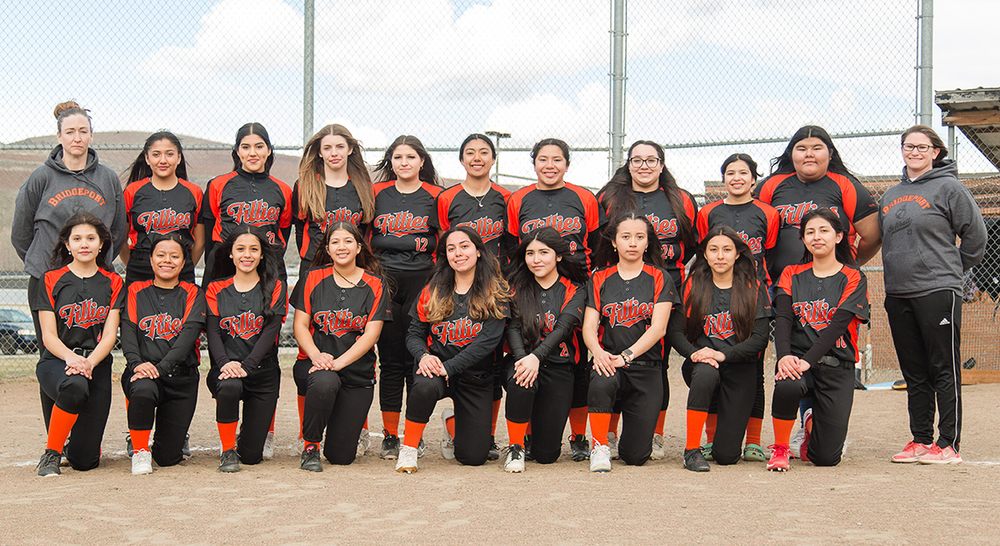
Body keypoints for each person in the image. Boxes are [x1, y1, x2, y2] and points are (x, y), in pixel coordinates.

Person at [754, 125, 880, 451]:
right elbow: (757, 226)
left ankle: (815, 421)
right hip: (784, 286)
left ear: (830, 152)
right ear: (791, 153)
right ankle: (801, 422)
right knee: (791, 349)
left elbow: (871, 233)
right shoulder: (772, 186)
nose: (809, 153)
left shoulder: (844, 185)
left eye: (817, 147)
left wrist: (846, 265)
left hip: (831, 287)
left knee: (823, 345)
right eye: (801, 147)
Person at [880, 125, 986, 465]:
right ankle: (921, 440)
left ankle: (949, 444)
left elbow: (976, 236)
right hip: (898, 292)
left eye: (922, 147)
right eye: (908, 146)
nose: (914, 152)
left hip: (937, 289)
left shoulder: (949, 187)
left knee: (944, 367)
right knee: (914, 370)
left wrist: (952, 269)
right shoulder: (890, 194)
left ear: (935, 152)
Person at [595, 140, 697, 460]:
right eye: (636, 160)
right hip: (618, 287)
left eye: (651, 160)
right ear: (628, 165)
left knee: (657, 363)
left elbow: (691, 244)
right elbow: (599, 240)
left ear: (662, 165)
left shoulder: (680, 200)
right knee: (611, 357)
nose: (644, 166)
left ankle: (654, 432)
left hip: (666, 287)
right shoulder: (609, 197)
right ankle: (608, 432)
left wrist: (664, 269)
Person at [507, 138, 602, 461]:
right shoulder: (519, 199)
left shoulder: (584, 197)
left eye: (557, 159)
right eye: (543, 159)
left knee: (574, 363)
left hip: (575, 283)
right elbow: (513, 246)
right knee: (530, 340)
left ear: (567, 164)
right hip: (532, 283)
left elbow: (596, 243)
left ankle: (577, 437)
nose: (550, 165)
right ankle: (524, 436)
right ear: (533, 163)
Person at [395, 226, 510, 473]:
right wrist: (423, 356)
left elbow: (488, 342)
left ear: (479, 251)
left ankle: (451, 423)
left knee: (473, 457)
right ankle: (409, 449)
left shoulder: (496, 290)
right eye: (451, 248)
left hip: (474, 375)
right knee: (423, 386)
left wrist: (448, 368)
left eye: (464, 246)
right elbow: (414, 333)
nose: (458, 253)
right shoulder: (433, 289)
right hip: (435, 371)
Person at [12, 101, 126, 344]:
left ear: (91, 136)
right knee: (51, 355)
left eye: (83, 131)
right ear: (59, 136)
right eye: (70, 132)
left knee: (94, 354)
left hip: (95, 281)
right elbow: (21, 234)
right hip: (48, 281)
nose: (77, 138)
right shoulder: (41, 177)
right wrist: (46, 264)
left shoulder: (107, 178)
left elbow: (117, 229)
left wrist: (96, 262)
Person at [766, 208, 869, 472]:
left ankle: (811, 419)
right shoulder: (792, 273)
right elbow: (784, 320)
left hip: (837, 364)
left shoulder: (854, 276)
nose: (817, 237)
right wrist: (785, 357)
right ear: (802, 239)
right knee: (788, 383)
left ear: (838, 236)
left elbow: (837, 326)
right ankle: (780, 448)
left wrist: (807, 361)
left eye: (824, 230)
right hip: (799, 359)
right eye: (810, 232)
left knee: (825, 458)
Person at [694, 154, 779, 462]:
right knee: (713, 365)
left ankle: (754, 441)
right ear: (723, 179)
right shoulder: (708, 213)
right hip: (718, 290)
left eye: (744, 172)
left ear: (754, 179)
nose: (737, 178)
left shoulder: (768, 213)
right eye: (730, 173)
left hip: (753, 293)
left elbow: (769, 252)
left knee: (753, 368)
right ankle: (711, 439)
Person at [667, 226, 772, 471]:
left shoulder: (753, 287)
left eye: (727, 250)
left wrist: (722, 353)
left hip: (738, 368)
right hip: (701, 364)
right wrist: (694, 353)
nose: (720, 256)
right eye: (713, 250)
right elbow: (674, 331)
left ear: (737, 254)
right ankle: (691, 450)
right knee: (706, 372)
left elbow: (760, 339)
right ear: (704, 254)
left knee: (726, 456)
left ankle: (721, 442)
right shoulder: (693, 285)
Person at [437, 133, 512, 458]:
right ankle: (454, 421)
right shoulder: (448, 198)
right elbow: (443, 245)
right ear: (462, 159)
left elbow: (511, 245)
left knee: (492, 362)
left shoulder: (506, 199)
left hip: (495, 287)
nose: (477, 157)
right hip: (459, 286)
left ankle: (488, 434)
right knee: (457, 349)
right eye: (470, 152)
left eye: (484, 152)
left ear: (493, 159)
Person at [292, 222, 390, 471]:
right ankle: (310, 446)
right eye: (334, 242)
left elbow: (372, 334)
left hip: (356, 373)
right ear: (327, 248)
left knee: (341, 456)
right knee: (326, 381)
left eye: (348, 241)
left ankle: (335, 423)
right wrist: (317, 357)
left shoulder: (375, 284)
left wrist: (337, 363)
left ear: (359, 247)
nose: (341, 246)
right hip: (315, 367)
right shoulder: (313, 277)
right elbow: (301, 326)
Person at [584, 212, 676, 472]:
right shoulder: (599, 277)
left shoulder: (660, 277)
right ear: (614, 243)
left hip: (646, 367)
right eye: (625, 237)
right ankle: (600, 445)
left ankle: (624, 440)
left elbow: (659, 328)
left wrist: (627, 355)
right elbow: (589, 326)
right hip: (609, 363)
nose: (632, 243)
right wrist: (599, 352)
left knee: (635, 456)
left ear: (648, 243)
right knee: (601, 376)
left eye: (639, 237)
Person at [34, 212, 124, 476]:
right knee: (75, 384)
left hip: (96, 364)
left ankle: (76, 444)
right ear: (67, 245)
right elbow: (48, 335)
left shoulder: (114, 281)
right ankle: (51, 454)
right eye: (77, 238)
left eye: (90, 238)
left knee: (85, 462)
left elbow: (109, 335)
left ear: (101, 244)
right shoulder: (50, 279)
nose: (84, 244)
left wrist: (88, 363)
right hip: (57, 361)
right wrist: (72, 360)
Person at [370, 135, 442, 459]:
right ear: (390, 162)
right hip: (385, 281)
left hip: (422, 281)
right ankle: (388, 434)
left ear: (421, 161)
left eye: (410, 157)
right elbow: (367, 238)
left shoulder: (436, 196)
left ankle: (415, 434)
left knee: (417, 360)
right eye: (397, 157)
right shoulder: (377, 194)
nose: (404, 163)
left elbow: (444, 240)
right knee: (390, 362)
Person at [503, 227, 588, 472]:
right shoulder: (516, 286)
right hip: (520, 363)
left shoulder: (575, 289)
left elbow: (563, 328)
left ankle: (533, 437)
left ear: (558, 256)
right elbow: (514, 326)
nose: (536, 259)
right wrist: (523, 360)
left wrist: (536, 357)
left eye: (543, 252)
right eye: (530, 253)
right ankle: (516, 447)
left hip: (559, 366)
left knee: (547, 455)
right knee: (521, 381)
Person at [120, 233, 205, 474]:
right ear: (150, 259)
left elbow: (187, 338)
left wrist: (160, 368)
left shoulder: (193, 293)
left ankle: (162, 445)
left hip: (180, 377)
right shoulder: (136, 290)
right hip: (143, 373)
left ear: (183, 261)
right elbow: (128, 333)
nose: (167, 260)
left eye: (174, 256)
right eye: (160, 255)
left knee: (168, 457)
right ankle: (139, 451)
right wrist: (136, 364)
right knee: (144, 388)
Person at [205, 225, 286, 472]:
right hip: (226, 370)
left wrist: (247, 367)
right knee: (230, 386)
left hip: (262, 374)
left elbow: (270, 332)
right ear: (230, 253)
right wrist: (225, 364)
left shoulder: (275, 286)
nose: (247, 255)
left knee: (252, 457)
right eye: (240, 249)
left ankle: (244, 441)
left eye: (254, 249)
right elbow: (213, 332)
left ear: (262, 254)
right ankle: (227, 450)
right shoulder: (215, 288)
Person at [202, 122, 293, 284]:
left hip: (269, 266)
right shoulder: (218, 184)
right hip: (225, 265)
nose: (252, 153)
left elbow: (283, 233)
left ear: (269, 150)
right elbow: (210, 234)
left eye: (259, 146)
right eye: (245, 147)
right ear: (237, 151)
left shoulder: (283, 189)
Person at [121, 131, 205, 285]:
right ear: (147, 158)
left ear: (179, 158)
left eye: (169, 154)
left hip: (180, 269)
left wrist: (184, 264)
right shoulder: (132, 191)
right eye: (156, 154)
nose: (163, 160)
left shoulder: (194, 191)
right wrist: (134, 264)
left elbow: (199, 241)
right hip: (141, 269)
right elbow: (121, 237)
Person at [292, 124, 375, 274]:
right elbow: (299, 228)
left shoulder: (364, 187)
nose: (334, 153)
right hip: (314, 266)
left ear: (350, 149)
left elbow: (365, 229)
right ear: (319, 152)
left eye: (340, 147)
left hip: (352, 266)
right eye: (327, 148)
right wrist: (310, 256)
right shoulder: (305, 186)